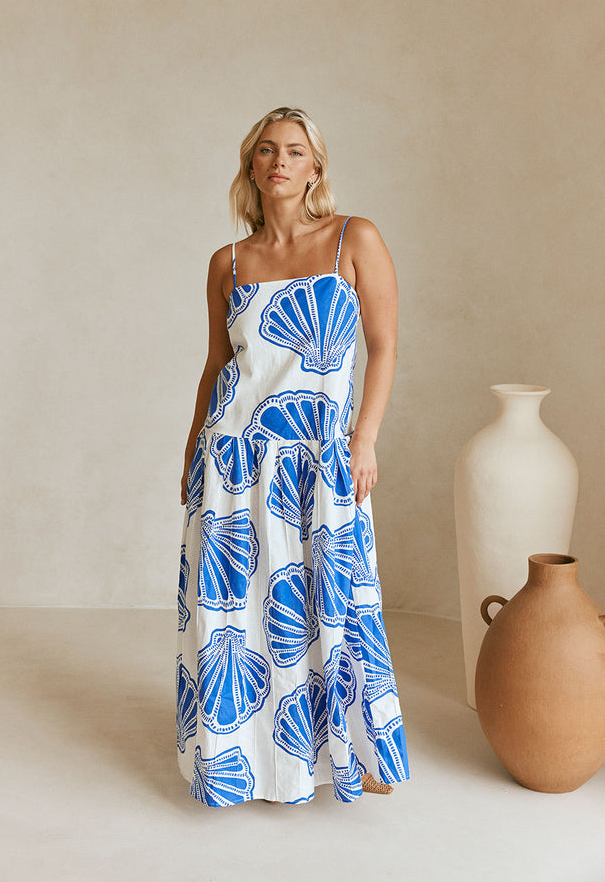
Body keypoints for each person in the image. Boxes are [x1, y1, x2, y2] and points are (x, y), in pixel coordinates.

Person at [176, 106, 409, 806]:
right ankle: (251, 763)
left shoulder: (353, 239)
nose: (281, 161)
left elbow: (384, 346)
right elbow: (217, 365)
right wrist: (191, 450)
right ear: (251, 166)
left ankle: (353, 751)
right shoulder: (227, 263)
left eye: (296, 151)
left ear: (315, 168)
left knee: (336, 603)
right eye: (268, 150)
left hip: (320, 454)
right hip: (235, 460)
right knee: (241, 616)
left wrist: (363, 438)